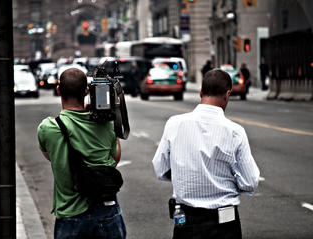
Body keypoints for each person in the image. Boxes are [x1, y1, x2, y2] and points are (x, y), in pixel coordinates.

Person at [152, 69, 260, 239]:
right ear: (227, 94)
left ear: (201, 92)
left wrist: (186, 175)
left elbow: (160, 168)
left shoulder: (174, 124)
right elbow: (250, 182)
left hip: (186, 222)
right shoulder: (235, 132)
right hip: (224, 224)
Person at [37, 68, 126, 239]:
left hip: (70, 216)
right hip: (106, 211)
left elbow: (51, 156)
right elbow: (114, 160)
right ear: (86, 90)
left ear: (58, 90)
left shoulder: (48, 128)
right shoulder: (105, 124)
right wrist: (109, 120)